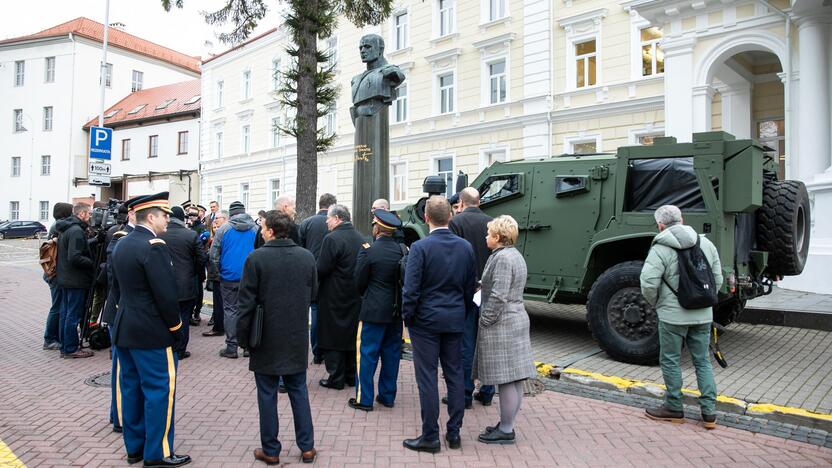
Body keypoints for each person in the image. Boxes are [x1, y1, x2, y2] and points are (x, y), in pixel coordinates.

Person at [109, 192, 191, 468]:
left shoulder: (122, 242)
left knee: (130, 390)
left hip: (125, 327)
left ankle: (135, 449)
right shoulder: (154, 246)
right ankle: (158, 453)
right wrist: (176, 326)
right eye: (164, 215)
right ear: (151, 217)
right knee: (158, 392)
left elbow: (119, 289)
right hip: (151, 331)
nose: (168, 220)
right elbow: (166, 295)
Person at [237, 210, 318, 465]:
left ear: (271, 230)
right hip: (295, 333)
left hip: (265, 334)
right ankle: (307, 447)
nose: (260, 230)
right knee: (298, 390)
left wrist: (242, 338)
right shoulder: (306, 257)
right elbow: (313, 292)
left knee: (267, 393)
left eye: (263, 227)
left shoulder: (256, 259)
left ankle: (270, 449)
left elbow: (245, 303)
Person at [401, 196, 476, 453]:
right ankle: (454, 433)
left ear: (425, 218)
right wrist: (462, 312)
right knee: (454, 375)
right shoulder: (465, 247)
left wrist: (408, 317)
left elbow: (410, 290)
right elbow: (469, 287)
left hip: (425, 322)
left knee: (427, 378)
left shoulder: (420, 248)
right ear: (451, 216)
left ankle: (430, 435)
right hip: (454, 318)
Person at [640, 205, 723, 430]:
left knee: (671, 360)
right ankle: (709, 413)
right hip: (703, 315)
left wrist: (658, 303)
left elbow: (648, 282)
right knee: (702, 362)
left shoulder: (660, 247)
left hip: (672, 317)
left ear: (659, 225)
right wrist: (704, 302)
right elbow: (717, 279)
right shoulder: (706, 243)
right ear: (682, 219)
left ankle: (674, 408)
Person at [473, 215, 536, 444]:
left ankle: (507, 430)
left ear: (498, 237)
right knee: (515, 378)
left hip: (503, 323)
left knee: (507, 379)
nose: (485, 237)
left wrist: (485, 320)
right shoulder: (514, 255)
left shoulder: (501, 259)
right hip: (516, 318)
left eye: (488, 233)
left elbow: (498, 295)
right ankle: (506, 424)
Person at [349, 209, 405, 411]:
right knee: (391, 355)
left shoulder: (368, 250)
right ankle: (387, 396)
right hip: (396, 311)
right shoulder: (402, 250)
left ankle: (364, 399)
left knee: (366, 354)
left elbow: (358, 281)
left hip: (373, 310)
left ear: (377, 227)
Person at [448, 187, 496, 407]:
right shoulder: (492, 222)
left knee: (466, 343)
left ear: (461, 203)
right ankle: (487, 391)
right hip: (488, 290)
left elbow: (454, 258)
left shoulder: (456, 223)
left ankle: (465, 393)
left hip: (465, 292)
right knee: (486, 342)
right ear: (479, 201)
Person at [101, 196, 139, 434]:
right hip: (120, 310)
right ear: (133, 214)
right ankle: (120, 416)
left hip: (132, 312)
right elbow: (115, 278)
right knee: (121, 368)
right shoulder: (121, 237)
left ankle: (128, 414)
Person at [316, 204, 365, 390]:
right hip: (354, 295)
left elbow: (321, 268)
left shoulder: (332, 239)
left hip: (333, 295)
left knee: (332, 335)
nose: (326, 221)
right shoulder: (361, 237)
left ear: (337, 218)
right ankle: (351, 375)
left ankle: (336, 377)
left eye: (328, 218)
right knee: (351, 335)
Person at [211, 201, 257, 358]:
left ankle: (231, 346)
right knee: (250, 309)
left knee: (230, 310)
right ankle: (248, 347)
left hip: (228, 276)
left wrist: (218, 273)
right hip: (251, 277)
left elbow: (214, 254)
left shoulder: (223, 229)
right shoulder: (255, 229)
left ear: (230, 214)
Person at [161, 206, 208, 360]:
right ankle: (180, 349)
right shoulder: (191, 235)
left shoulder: (160, 234)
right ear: (183, 218)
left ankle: (167, 347)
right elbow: (202, 259)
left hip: (164, 284)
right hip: (186, 284)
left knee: (165, 316)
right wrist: (191, 272)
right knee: (184, 317)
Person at [54, 202, 96, 359]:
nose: (90, 217)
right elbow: (75, 256)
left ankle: (65, 346)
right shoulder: (77, 231)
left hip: (65, 278)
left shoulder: (66, 228)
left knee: (65, 313)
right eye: (89, 214)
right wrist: (92, 263)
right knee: (72, 314)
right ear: (82, 214)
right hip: (75, 280)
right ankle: (71, 348)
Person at [299, 193, 337, 365]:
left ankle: (317, 352)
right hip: (332, 275)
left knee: (314, 313)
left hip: (311, 272)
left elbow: (300, 248)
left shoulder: (307, 223)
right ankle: (330, 349)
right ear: (332, 206)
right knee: (330, 314)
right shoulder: (336, 223)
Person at [42, 202, 73, 351]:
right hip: (55, 274)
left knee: (58, 305)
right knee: (57, 306)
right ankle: (49, 338)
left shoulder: (56, 225)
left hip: (53, 273)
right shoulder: (59, 226)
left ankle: (54, 337)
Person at [203, 210, 228, 337]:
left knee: (220, 303)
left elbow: (214, 255)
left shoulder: (224, 232)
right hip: (226, 273)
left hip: (221, 274)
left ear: (225, 218)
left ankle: (219, 327)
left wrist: (217, 271)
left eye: (217, 218)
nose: (215, 220)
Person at [186, 206, 208, 326]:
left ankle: (197, 312)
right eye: (189, 216)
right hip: (188, 264)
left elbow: (201, 242)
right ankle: (189, 314)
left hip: (197, 264)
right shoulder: (187, 227)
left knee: (198, 290)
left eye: (193, 216)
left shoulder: (201, 228)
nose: (191, 218)